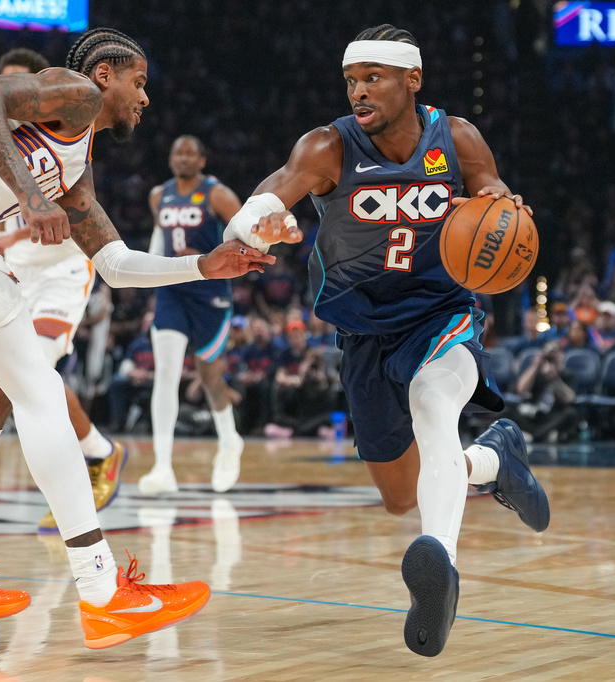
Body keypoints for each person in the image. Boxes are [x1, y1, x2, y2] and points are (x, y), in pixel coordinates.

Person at [0, 27, 271, 648]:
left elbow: (116, 266)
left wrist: (204, 265)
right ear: (105, 77)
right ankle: (102, 593)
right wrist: (24, 193)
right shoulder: (72, 92)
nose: (145, 99)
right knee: (39, 390)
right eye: (139, 82)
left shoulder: (76, 174)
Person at [225, 24, 549, 656]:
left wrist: (503, 203)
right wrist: (264, 226)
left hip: (440, 313)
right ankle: (493, 459)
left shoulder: (454, 137)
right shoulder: (328, 147)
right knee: (400, 495)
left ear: (412, 80)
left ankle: (441, 571)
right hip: (363, 330)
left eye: (373, 78)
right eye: (351, 80)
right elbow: (272, 193)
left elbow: (489, 189)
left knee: (434, 406)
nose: (359, 92)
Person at [0, 47, 128, 531]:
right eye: (5, 86)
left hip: (62, 270)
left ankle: (84, 487)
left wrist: (10, 233)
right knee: (16, 379)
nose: (13, 97)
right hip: (14, 270)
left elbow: (70, 209)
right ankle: (98, 452)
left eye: (22, 86)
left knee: (35, 371)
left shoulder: (68, 136)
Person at [139, 135, 246, 495]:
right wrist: (149, 281)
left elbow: (246, 231)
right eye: (177, 151)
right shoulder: (159, 194)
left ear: (202, 160)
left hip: (210, 293)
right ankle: (162, 467)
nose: (182, 157)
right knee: (165, 375)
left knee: (211, 377)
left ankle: (230, 441)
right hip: (171, 290)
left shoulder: (217, 194)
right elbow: (158, 240)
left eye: (189, 152)